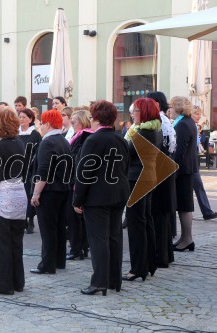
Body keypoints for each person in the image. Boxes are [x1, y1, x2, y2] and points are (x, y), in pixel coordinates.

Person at [73, 100, 129, 296]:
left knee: (99, 240)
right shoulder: (121, 139)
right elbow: (125, 168)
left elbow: (84, 173)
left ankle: (99, 282)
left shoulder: (93, 140)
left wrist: (77, 199)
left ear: (95, 118)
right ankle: (114, 279)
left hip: (97, 197)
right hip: (118, 193)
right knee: (114, 237)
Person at [0, 108, 27, 295]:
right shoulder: (20, 143)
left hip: (4, 196)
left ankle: (2, 285)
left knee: (1, 244)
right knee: (16, 242)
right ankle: (18, 282)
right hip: (20, 194)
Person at [123, 98, 162, 281]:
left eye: (136, 111)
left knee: (136, 223)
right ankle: (149, 264)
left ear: (145, 113)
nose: (132, 114)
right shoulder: (155, 129)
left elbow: (128, 153)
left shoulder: (143, 132)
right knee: (146, 220)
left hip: (137, 178)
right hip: (147, 176)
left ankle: (138, 268)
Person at [30, 109, 71, 275]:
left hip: (49, 191)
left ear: (47, 124)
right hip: (63, 189)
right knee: (59, 226)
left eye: (41, 123)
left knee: (48, 228)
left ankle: (47, 264)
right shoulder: (63, 140)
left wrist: (36, 193)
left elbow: (44, 171)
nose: (39, 126)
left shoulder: (47, 142)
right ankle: (59, 260)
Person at [146, 91, 176, 268]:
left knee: (159, 214)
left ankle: (160, 256)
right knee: (162, 215)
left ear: (155, 103)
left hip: (160, 171)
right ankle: (165, 254)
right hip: (166, 169)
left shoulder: (158, 122)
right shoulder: (164, 120)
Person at [169, 96, 199, 252]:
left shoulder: (182, 125)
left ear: (179, 108)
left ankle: (187, 239)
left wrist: (172, 170)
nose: (169, 110)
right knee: (183, 205)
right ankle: (184, 238)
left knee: (185, 205)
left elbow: (179, 151)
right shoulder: (186, 122)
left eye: (171, 107)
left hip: (183, 170)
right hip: (186, 169)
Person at [66, 110, 93, 260]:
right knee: (77, 217)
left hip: (76, 180)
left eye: (74, 121)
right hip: (74, 178)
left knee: (75, 217)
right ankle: (80, 248)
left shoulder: (84, 136)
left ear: (82, 122)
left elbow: (77, 158)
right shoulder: (79, 135)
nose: (72, 123)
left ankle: (77, 249)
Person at [190, 106, 217, 220]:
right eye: (196, 114)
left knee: (198, 186)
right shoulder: (189, 125)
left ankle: (207, 211)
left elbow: (197, 142)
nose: (199, 116)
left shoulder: (194, 126)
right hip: (189, 162)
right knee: (196, 186)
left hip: (193, 161)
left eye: (199, 114)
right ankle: (206, 211)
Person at [16, 108, 41, 234]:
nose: (21, 119)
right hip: (18, 169)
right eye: (20, 117)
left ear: (30, 119)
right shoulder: (16, 133)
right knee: (19, 195)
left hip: (30, 169)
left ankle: (30, 219)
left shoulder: (35, 134)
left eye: (24, 117)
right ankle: (22, 219)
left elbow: (38, 152)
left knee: (28, 193)